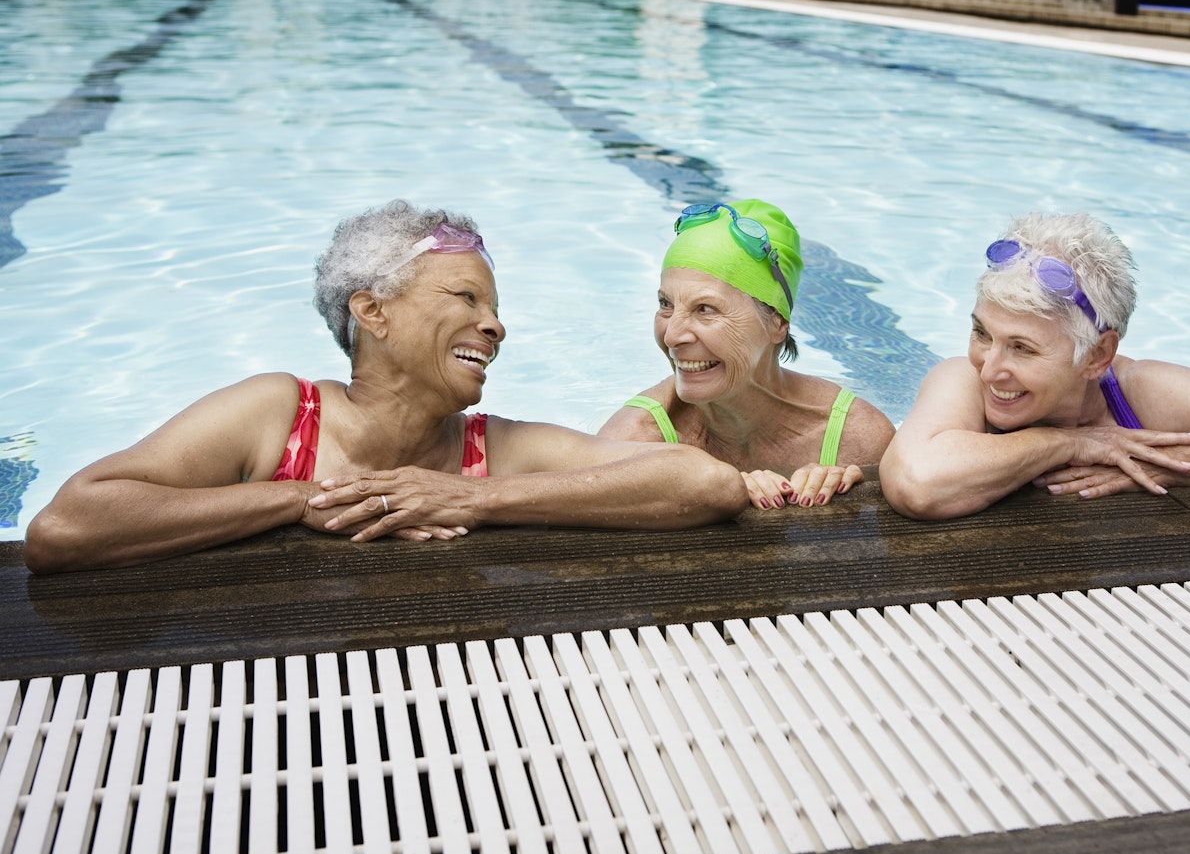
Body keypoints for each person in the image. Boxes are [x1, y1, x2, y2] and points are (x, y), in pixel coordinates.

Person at [23, 200, 748, 573]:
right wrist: (300, 498)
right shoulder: (279, 416)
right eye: (466, 299)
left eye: (494, 310)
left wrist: (474, 496)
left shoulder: (491, 450)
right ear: (371, 311)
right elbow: (66, 528)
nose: (495, 327)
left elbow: (707, 485)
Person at [881, 212, 1190, 520]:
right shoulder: (961, 381)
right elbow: (919, 484)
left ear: (1096, 355)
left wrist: (1173, 466)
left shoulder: (1140, 392)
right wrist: (1072, 443)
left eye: (1023, 349)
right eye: (982, 333)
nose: (991, 369)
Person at [598, 199, 894, 510]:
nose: (672, 336)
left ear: (777, 325)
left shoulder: (857, 438)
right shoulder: (634, 437)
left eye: (705, 309)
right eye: (665, 305)